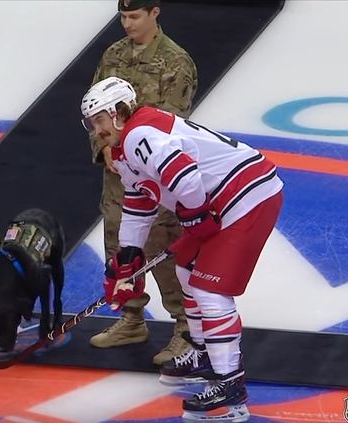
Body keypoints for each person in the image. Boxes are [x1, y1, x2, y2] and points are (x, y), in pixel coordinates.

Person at [80, 77, 283, 421]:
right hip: (220, 201)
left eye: (99, 119)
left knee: (210, 289)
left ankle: (228, 380)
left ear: (117, 113)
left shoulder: (138, 136)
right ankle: (205, 353)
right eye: (91, 122)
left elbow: (185, 176)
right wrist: (128, 254)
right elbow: (139, 202)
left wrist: (193, 214)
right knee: (186, 265)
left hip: (247, 196)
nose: (95, 130)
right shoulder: (124, 150)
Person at [88, 0, 199, 365]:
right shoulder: (113, 54)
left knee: (163, 251)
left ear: (155, 12)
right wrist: (103, 147)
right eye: (122, 16)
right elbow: (94, 111)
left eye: (134, 16)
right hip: (117, 174)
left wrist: (130, 153)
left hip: (155, 179)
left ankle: (186, 328)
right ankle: (131, 317)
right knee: (120, 249)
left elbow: (171, 124)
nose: (127, 23)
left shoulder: (176, 62)